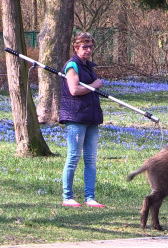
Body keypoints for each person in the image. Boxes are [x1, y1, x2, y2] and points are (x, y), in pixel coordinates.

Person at [60, 32, 105, 208]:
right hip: (76, 117)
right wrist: (94, 86)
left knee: (91, 159)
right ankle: (67, 197)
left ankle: (90, 197)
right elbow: (74, 90)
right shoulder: (72, 66)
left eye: (90, 47)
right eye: (84, 47)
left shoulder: (88, 67)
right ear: (76, 48)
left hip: (92, 117)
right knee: (73, 157)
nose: (88, 50)